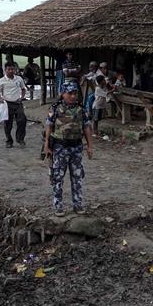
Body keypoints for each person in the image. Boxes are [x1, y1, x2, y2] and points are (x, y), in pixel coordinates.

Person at [43, 82, 94, 217]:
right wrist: (46, 145)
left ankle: (77, 205)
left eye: (75, 93)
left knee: (77, 177)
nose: (73, 96)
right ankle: (58, 206)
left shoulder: (81, 110)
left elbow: (86, 128)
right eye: (69, 93)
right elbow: (48, 127)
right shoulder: (55, 109)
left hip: (76, 148)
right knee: (57, 177)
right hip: (60, 148)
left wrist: (90, 146)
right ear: (63, 94)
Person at [0, 61, 27, 148]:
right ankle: (9, 141)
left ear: (15, 70)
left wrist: (21, 97)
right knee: (8, 124)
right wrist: (1, 99)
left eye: (12, 69)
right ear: (5, 70)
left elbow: (24, 89)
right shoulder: (1, 81)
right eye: (9, 69)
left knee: (22, 120)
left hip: (18, 103)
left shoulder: (19, 79)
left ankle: (20, 139)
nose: (11, 71)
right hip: (7, 105)